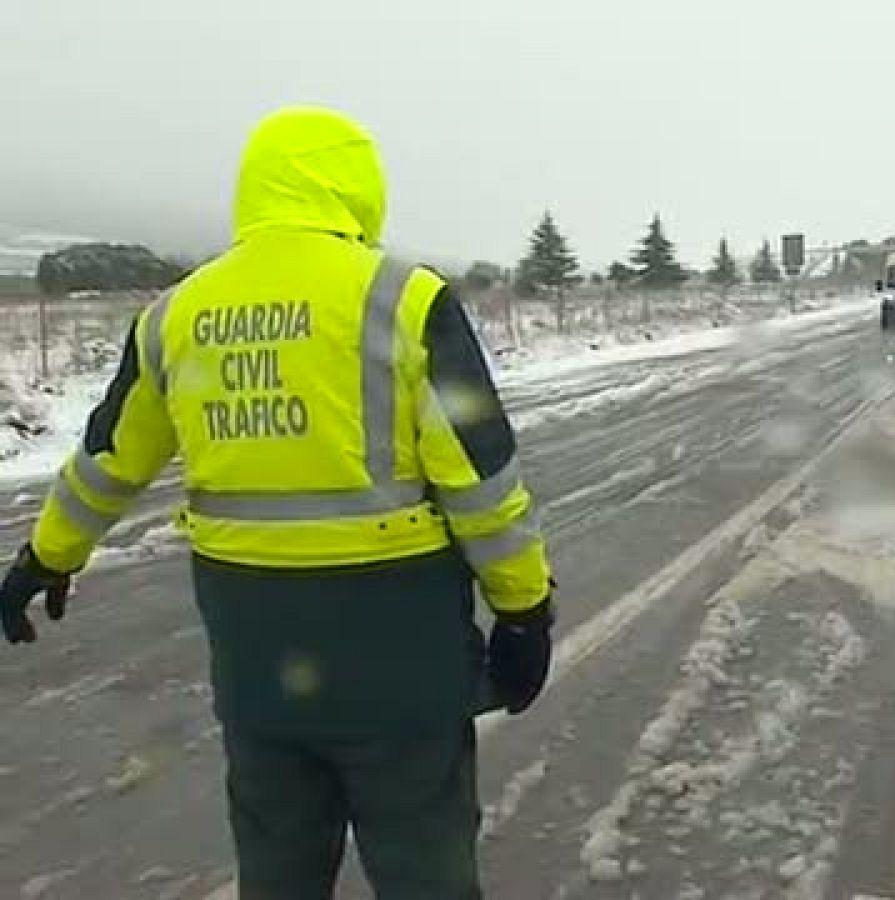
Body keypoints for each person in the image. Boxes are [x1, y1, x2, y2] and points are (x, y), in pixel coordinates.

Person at [0, 106, 555, 899]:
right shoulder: (401, 299)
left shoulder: (178, 315)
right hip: (399, 662)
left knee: (278, 870)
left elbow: (105, 464)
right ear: (356, 189)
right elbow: (481, 484)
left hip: (259, 669)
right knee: (424, 864)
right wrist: (525, 609)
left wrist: (43, 557)